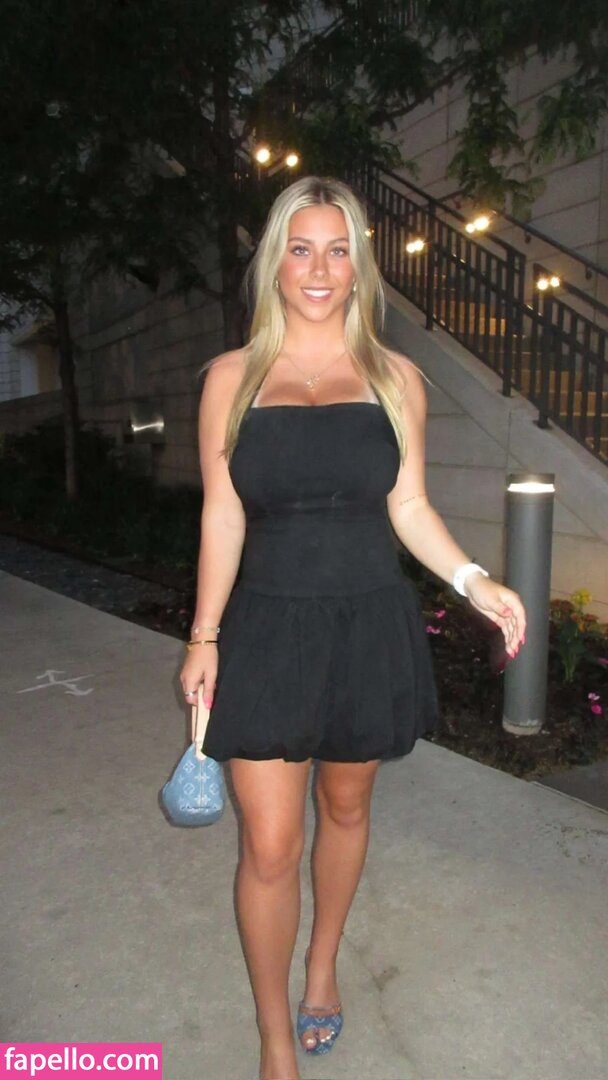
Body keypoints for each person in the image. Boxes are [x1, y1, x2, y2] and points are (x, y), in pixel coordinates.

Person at [179, 175, 526, 1080]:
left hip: (367, 621)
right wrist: (204, 637)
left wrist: (474, 580)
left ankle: (323, 967)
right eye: (301, 249)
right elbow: (223, 514)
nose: (320, 269)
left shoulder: (395, 378)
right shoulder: (230, 379)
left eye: (338, 250)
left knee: (345, 807)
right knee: (269, 844)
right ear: (275, 262)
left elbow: (407, 505)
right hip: (266, 629)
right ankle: (274, 1042)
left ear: (360, 266)